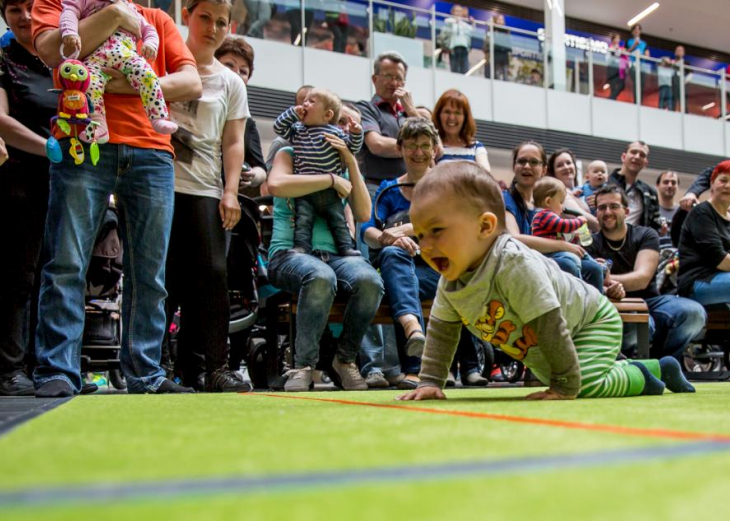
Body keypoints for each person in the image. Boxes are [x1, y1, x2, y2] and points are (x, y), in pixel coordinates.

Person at [397, 162, 696, 401]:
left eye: (436, 231)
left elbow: (550, 323)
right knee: (558, 371)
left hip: (590, 322)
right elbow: (441, 330)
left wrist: (565, 385)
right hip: (545, 339)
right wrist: (431, 381)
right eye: (420, 235)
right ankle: (657, 366)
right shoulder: (451, 280)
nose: (426, 245)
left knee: (580, 384)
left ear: (485, 226)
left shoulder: (512, 264)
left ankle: (641, 379)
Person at [31, 0, 203, 396]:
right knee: (66, 262)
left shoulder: (156, 17)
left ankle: (146, 372)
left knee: (150, 273)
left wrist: (110, 80)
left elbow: (191, 82)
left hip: (152, 150)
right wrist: (114, 17)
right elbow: (54, 53)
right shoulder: (59, 4)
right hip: (82, 143)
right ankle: (57, 369)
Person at [164, 0, 251, 393]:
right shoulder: (161, 63)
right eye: (205, 17)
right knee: (162, 279)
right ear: (187, 16)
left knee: (213, 277)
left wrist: (230, 192)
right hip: (158, 185)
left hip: (205, 190)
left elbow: (233, 143)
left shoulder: (231, 82)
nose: (213, 27)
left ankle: (215, 366)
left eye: (221, 21)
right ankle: (157, 367)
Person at [266, 110, 382, 392]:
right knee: (320, 276)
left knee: (370, 282)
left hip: (339, 257)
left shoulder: (344, 164)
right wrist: (330, 179)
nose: (341, 129)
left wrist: (349, 161)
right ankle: (303, 365)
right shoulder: (290, 153)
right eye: (338, 121)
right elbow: (276, 184)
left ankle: (345, 360)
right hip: (289, 254)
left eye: (347, 124)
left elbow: (364, 211)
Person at [0, 0, 56, 396]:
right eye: (13, 9)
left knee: (55, 277)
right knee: (17, 276)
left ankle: (50, 368)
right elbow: (1, 119)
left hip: (66, 182)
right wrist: (49, 146)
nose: (23, 17)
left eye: (30, 8)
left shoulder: (61, 58)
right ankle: (9, 369)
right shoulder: (4, 58)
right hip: (17, 178)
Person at [587, 185, 706, 362]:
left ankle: (664, 361)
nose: (607, 212)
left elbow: (642, 279)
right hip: (613, 307)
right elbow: (589, 283)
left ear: (626, 211)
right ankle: (627, 363)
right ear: (596, 213)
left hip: (650, 301)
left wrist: (607, 280)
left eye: (614, 206)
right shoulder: (589, 243)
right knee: (639, 323)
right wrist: (606, 287)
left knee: (694, 313)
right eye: (602, 208)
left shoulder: (645, 234)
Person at [59, 0, 178, 143]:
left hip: (127, 56)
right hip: (95, 59)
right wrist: (70, 32)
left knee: (147, 75)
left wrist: (150, 44)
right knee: (89, 83)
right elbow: (69, 12)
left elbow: (149, 30)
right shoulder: (84, 1)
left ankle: (158, 116)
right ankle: (98, 125)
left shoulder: (128, 8)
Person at [273, 88, 363, 256]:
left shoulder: (336, 133)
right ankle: (301, 246)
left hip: (330, 195)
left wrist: (357, 134)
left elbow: (353, 147)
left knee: (338, 220)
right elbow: (279, 127)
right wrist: (293, 114)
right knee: (303, 220)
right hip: (306, 192)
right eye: (304, 101)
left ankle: (346, 248)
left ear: (327, 115)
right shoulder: (298, 131)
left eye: (311, 102)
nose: (304, 104)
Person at [503, 141, 595, 285]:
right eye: (521, 161)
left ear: (544, 170)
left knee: (594, 268)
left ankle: (597, 306)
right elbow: (514, 238)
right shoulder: (506, 199)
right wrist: (562, 246)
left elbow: (564, 233)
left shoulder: (551, 202)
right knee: (568, 265)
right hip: (522, 267)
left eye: (534, 162)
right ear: (514, 166)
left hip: (547, 260)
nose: (527, 166)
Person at [356, 51, 420, 190]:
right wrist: (416, 147)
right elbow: (377, 144)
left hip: (410, 188)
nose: (394, 83)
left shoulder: (409, 114)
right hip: (376, 187)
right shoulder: (366, 108)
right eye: (388, 76)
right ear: (374, 79)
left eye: (398, 78)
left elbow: (434, 145)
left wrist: (412, 110)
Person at [215, 35, 267, 195]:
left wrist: (252, 176)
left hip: (224, 193)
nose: (236, 74)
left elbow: (261, 169)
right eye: (229, 65)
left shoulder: (247, 122)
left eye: (243, 71)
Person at [531, 177, 603, 292]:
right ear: (548, 201)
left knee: (593, 267)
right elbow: (563, 225)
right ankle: (580, 294)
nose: (563, 207)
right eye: (560, 202)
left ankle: (599, 301)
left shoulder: (550, 217)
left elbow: (559, 235)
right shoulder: (543, 214)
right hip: (549, 255)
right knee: (572, 261)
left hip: (558, 252)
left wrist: (574, 236)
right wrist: (580, 221)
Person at [678, 160, 730, 307]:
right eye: (723, 180)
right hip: (697, 282)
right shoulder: (701, 212)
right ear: (712, 184)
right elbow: (719, 259)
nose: (728, 186)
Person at [608, 141, 662, 231]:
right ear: (623, 157)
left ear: (645, 163)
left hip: (635, 242)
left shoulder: (650, 193)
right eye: (633, 152)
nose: (637, 157)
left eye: (642, 155)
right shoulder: (603, 183)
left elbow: (655, 225)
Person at [432, 89, 490, 174]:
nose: (451, 117)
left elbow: (486, 178)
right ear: (438, 115)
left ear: (465, 118)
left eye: (457, 113)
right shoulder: (433, 147)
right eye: (447, 112)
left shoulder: (476, 147)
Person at [546, 148, 599, 231]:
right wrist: (607, 228)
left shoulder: (582, 191)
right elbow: (579, 215)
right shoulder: (558, 194)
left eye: (568, 163)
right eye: (560, 165)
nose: (566, 167)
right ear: (553, 173)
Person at [265, 84, 313, 173]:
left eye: (313, 101)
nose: (307, 105)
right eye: (304, 102)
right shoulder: (282, 142)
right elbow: (268, 177)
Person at [440, 4, 474, 75]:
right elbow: (445, 28)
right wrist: (455, 21)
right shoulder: (449, 21)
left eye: (460, 11)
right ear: (452, 12)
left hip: (464, 48)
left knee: (464, 69)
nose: (458, 13)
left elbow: (472, 30)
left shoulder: (464, 24)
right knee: (454, 68)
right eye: (457, 11)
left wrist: (472, 22)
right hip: (453, 48)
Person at [656, 171, 679, 247]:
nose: (669, 186)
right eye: (666, 182)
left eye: (673, 182)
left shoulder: (682, 213)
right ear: (657, 185)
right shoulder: (650, 211)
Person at [627, 24, 647, 102]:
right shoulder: (629, 41)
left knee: (641, 84)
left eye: (638, 30)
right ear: (632, 32)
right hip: (632, 65)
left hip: (641, 66)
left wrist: (644, 55)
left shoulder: (644, 43)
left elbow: (647, 54)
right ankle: (636, 101)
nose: (637, 31)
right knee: (636, 83)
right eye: (635, 30)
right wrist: (634, 45)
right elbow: (627, 52)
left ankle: (640, 101)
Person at [606, 33, 626, 101]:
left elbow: (624, 59)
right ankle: (612, 99)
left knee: (622, 85)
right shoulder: (610, 48)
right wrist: (614, 52)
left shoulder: (621, 49)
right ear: (613, 39)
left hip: (620, 69)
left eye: (619, 38)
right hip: (612, 69)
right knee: (613, 86)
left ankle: (611, 97)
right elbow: (608, 60)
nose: (618, 40)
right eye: (616, 38)